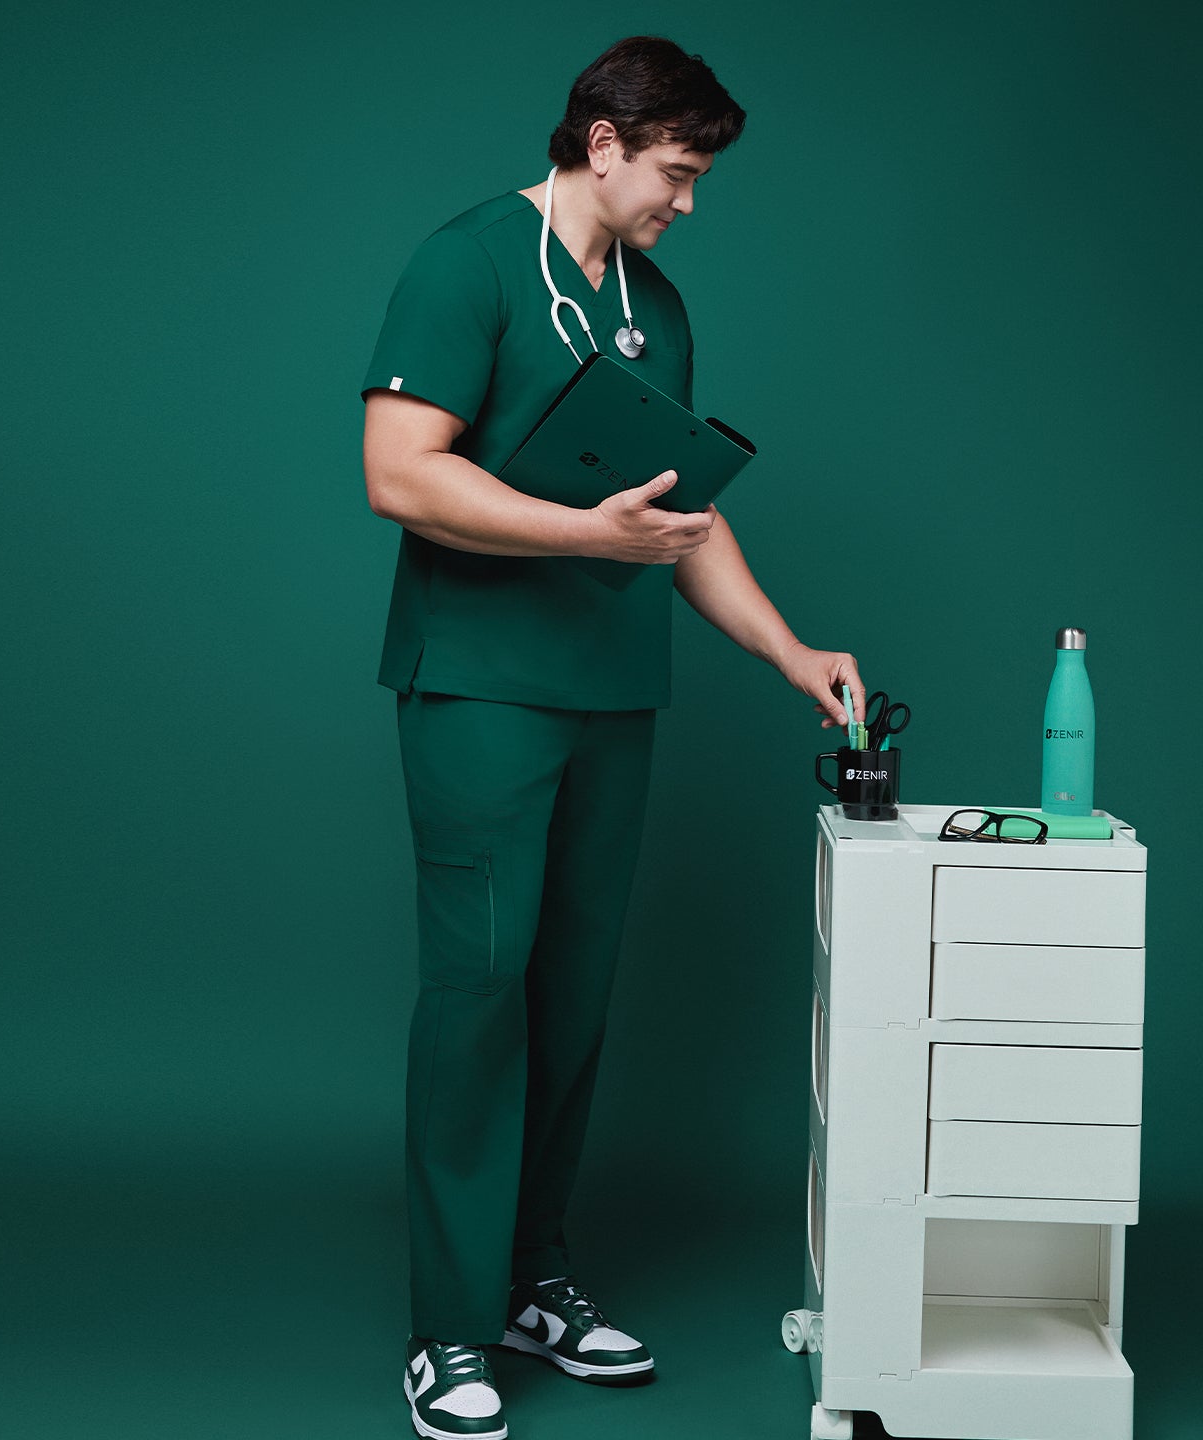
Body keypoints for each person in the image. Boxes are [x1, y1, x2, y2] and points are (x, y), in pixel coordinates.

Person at [361, 36, 864, 1440]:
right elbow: (397, 474)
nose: (688, 203)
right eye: (678, 174)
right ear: (601, 144)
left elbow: (680, 515)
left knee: (572, 1003)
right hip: (477, 689)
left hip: (610, 695)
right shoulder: (464, 265)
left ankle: (534, 1279)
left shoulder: (655, 305)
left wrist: (787, 650)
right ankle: (447, 1329)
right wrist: (586, 535)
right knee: (479, 995)